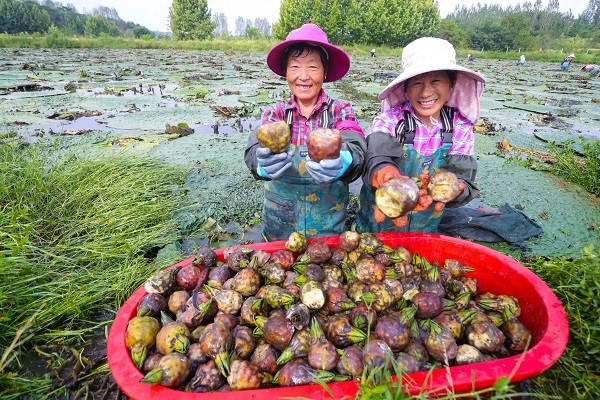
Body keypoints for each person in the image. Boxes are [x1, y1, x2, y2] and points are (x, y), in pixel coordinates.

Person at [244, 23, 366, 241]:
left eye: (312, 67)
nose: (303, 76)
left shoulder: (341, 110)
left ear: (325, 72)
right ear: (285, 72)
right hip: (279, 230)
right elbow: (254, 146)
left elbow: (355, 142)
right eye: (295, 67)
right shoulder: (276, 113)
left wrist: (345, 160)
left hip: (328, 231)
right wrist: (260, 163)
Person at [356, 37, 485, 233]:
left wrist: (455, 191)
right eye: (417, 83)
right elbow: (377, 153)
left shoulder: (460, 127)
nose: (425, 92)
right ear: (406, 89)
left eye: (436, 81)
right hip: (376, 225)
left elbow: (461, 176)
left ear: (451, 85)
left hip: (424, 229)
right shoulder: (390, 120)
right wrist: (383, 171)